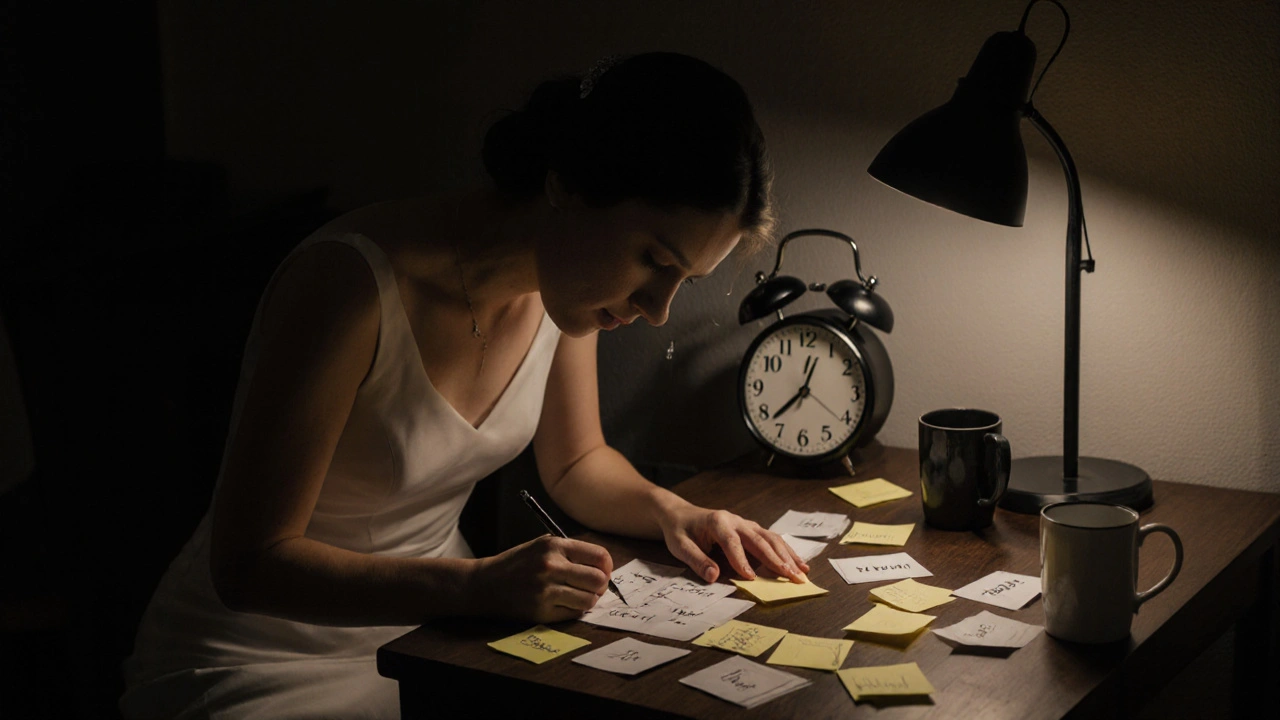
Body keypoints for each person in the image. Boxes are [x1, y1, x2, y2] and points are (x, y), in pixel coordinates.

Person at [119, 52, 809, 720]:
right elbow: (248, 565)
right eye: (653, 260)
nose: (656, 308)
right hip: (259, 656)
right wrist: (477, 585)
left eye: (681, 278)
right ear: (567, 184)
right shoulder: (349, 286)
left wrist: (677, 515)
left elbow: (576, 464)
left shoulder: (566, 290)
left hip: (435, 637)